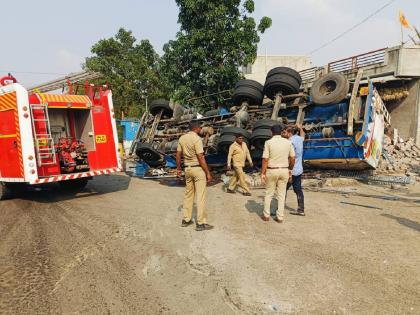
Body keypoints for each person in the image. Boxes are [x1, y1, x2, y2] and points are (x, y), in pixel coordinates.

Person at [176, 120, 214, 231]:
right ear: (196, 128)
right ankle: (201, 223)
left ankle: (186, 220)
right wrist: (208, 173)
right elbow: (201, 157)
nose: (201, 129)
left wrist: (178, 169)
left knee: (188, 195)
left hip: (187, 169)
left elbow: (178, 155)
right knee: (200, 197)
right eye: (200, 128)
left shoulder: (182, 138)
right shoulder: (197, 139)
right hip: (197, 169)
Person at [261, 125, 295, 223]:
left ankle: (266, 216)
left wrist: (263, 173)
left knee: (269, 194)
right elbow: (293, 158)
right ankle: (280, 217)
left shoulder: (268, 142)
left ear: (271, 132)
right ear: (281, 132)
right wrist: (290, 169)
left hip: (272, 170)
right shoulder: (288, 143)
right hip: (284, 170)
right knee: (281, 195)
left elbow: (265, 159)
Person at [286, 125, 305, 216]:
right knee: (298, 190)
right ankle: (301, 209)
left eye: (286, 132)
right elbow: (303, 135)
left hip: (291, 169)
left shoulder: (290, 141)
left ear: (289, 133)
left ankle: (279, 209)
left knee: (283, 189)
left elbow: (290, 157)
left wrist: (288, 170)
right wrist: (300, 127)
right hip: (298, 169)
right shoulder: (299, 139)